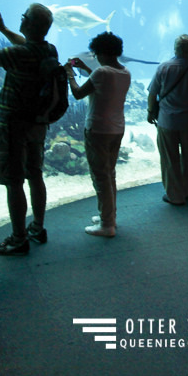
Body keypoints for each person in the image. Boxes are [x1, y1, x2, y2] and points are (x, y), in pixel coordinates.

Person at [0, 4, 57, 256]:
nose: (22, 18)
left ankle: (18, 239)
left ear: (28, 23)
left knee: (13, 181)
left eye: (23, 16)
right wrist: (3, 29)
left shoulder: (18, 54)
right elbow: (28, 44)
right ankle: (37, 227)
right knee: (35, 174)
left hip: (12, 126)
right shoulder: (49, 50)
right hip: (36, 124)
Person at [66, 32, 131, 238]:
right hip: (117, 129)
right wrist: (85, 69)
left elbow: (78, 93)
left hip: (98, 130)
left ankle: (106, 224)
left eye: (95, 54)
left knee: (100, 176)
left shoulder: (101, 73)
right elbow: (102, 81)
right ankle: (109, 215)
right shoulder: (125, 72)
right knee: (109, 173)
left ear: (102, 52)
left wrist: (70, 74)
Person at [147, 34, 188, 205]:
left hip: (167, 122)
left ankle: (174, 195)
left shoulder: (164, 68)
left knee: (170, 159)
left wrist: (151, 112)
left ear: (175, 48)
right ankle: (186, 190)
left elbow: (153, 93)